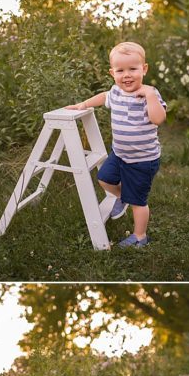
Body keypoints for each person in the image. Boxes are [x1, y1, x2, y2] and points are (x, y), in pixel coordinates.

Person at [67, 41, 167, 248]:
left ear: (144, 69)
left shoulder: (150, 94)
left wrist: (149, 95)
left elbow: (158, 119)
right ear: (112, 73)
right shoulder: (115, 92)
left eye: (133, 69)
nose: (127, 75)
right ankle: (122, 198)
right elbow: (103, 97)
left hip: (142, 160)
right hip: (119, 154)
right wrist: (83, 104)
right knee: (104, 178)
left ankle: (140, 236)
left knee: (139, 201)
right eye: (120, 70)